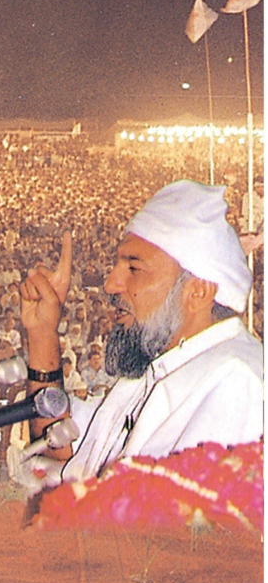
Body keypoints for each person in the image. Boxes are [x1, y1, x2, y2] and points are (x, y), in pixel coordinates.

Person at [19, 180, 263, 488]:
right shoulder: (154, 369)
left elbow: (158, 531)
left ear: (197, 291)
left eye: (134, 268)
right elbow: (62, 453)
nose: (110, 284)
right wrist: (42, 335)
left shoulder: (236, 383)